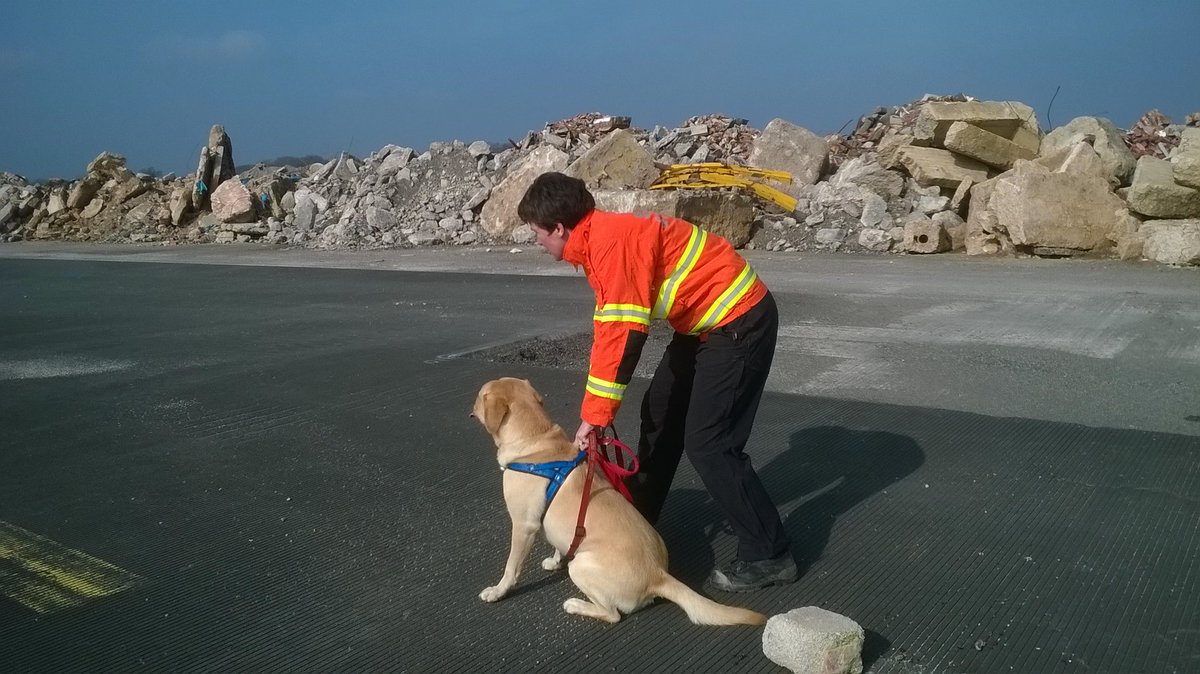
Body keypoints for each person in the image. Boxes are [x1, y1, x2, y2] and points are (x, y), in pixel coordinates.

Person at [517, 171, 795, 592]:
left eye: (537, 233)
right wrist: (596, 414)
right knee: (660, 412)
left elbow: (623, 335)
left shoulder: (609, 244)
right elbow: (610, 329)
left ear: (558, 228)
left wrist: (593, 418)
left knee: (710, 442)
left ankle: (770, 554)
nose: (536, 241)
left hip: (739, 321)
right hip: (703, 325)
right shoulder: (598, 240)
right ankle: (635, 525)